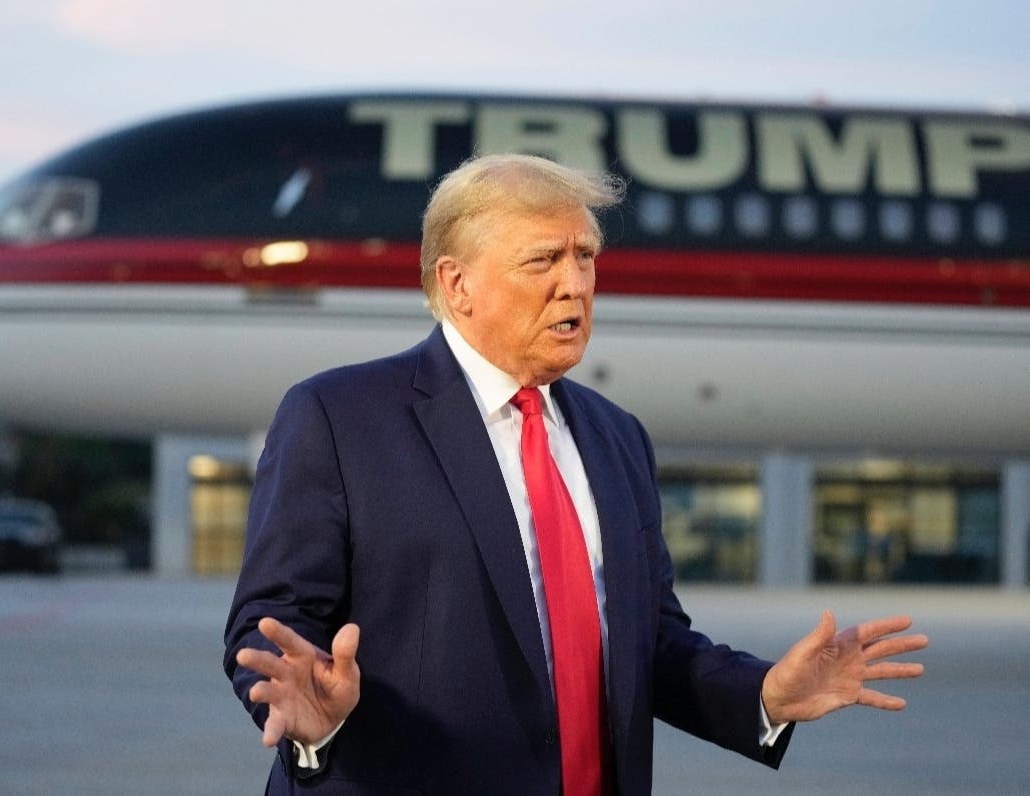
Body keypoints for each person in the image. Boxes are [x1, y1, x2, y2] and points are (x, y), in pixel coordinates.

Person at [223, 153, 928, 795]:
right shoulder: (340, 417)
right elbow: (272, 624)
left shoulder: (616, 437)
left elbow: (648, 642)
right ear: (456, 283)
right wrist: (310, 711)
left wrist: (764, 695)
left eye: (585, 256)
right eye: (543, 261)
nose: (575, 284)